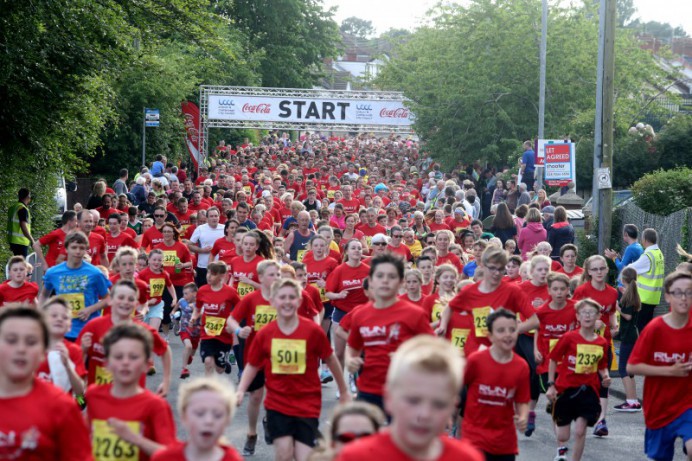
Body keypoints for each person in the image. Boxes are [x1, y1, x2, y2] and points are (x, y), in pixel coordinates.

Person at [237, 278, 350, 461]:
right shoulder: (266, 333)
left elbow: (330, 358)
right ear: (273, 302)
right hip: (277, 402)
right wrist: (241, 390)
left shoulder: (312, 331)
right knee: (284, 453)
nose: (287, 302)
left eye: (292, 297)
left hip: (307, 401)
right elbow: (253, 364)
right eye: (282, 297)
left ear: (299, 301)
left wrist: (343, 390)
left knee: (303, 456)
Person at [336, 336, 484, 460]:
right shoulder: (356, 457)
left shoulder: (467, 458)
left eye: (439, 404)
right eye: (413, 401)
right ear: (389, 398)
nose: (424, 414)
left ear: (452, 407)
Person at [0, 307, 93, 460]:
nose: (21, 349)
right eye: (11, 340)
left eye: (31, 342)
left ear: (43, 351)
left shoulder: (62, 407)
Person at [346, 254, 434, 410]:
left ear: (400, 282)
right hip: (368, 390)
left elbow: (433, 350)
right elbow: (353, 347)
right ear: (371, 281)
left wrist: (409, 357)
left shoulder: (414, 314)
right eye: (380, 276)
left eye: (391, 276)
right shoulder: (360, 314)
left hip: (404, 392)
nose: (385, 280)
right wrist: (349, 360)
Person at [627, 270, 692, 461]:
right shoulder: (655, 328)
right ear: (667, 296)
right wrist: (669, 371)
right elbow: (632, 367)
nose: (684, 298)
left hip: (687, 404)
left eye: (689, 292)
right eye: (677, 292)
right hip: (659, 407)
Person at [85, 323, 176, 460]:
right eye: (118, 357)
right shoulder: (93, 395)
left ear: (147, 364)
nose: (125, 362)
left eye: (133, 357)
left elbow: (172, 455)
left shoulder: (156, 406)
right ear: (107, 364)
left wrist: (135, 439)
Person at [437, 247, 537, 356]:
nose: (496, 273)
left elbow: (535, 321)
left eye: (500, 269)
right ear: (483, 266)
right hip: (475, 350)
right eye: (492, 268)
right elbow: (450, 307)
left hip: (502, 351)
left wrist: (510, 332)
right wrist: (443, 326)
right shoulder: (469, 291)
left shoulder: (512, 291)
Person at [77, 280, 172, 395]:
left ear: (136, 303)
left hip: (131, 398)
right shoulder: (94, 326)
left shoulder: (142, 330)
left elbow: (165, 350)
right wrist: (83, 351)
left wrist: (166, 382)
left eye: (131, 299)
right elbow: (77, 357)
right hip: (99, 397)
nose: (125, 302)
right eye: (121, 297)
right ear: (111, 300)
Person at [546, 299, 612, 461]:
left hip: (588, 390)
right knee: (564, 435)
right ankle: (555, 408)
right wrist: (550, 385)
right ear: (577, 316)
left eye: (591, 312)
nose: (587, 315)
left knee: (580, 431)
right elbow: (553, 359)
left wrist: (605, 375)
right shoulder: (569, 337)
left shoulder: (602, 342)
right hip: (566, 388)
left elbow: (602, 364)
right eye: (583, 312)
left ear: (597, 316)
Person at [462, 308, 530, 460]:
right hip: (475, 437)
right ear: (490, 335)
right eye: (501, 330)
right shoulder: (476, 360)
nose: (507, 334)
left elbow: (522, 400)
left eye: (512, 330)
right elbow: (457, 388)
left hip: (504, 441)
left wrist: (523, 416)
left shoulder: (521, 366)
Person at [572, 255, 618, 437]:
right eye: (595, 269)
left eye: (602, 268)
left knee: (603, 382)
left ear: (607, 270)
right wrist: (590, 324)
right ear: (589, 272)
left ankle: (601, 421)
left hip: (604, 342)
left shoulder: (612, 292)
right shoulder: (582, 291)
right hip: (584, 344)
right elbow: (573, 317)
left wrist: (615, 325)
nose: (599, 272)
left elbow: (612, 311)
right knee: (584, 382)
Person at [39, 231, 112, 341]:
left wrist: (90, 309)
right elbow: (44, 295)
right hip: (63, 329)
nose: (78, 251)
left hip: (88, 329)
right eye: (74, 247)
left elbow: (108, 299)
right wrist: (42, 314)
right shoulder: (53, 272)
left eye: (81, 248)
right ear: (66, 249)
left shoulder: (95, 273)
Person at [151, 377, 243, 461]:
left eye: (217, 415)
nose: (208, 421)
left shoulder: (233, 459)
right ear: (184, 417)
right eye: (199, 413)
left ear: (227, 420)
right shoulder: (164, 458)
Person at [192, 261, 240, 376]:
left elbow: (240, 307)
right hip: (207, 332)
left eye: (213, 274)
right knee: (208, 361)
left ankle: (224, 364)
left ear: (222, 276)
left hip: (224, 334)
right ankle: (208, 389)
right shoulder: (202, 290)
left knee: (219, 369)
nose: (208, 276)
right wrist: (193, 317)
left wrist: (232, 323)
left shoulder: (230, 292)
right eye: (208, 273)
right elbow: (197, 308)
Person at [37, 297, 87, 396]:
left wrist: (68, 366)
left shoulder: (73, 350)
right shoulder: (32, 349)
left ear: (70, 326)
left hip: (62, 408)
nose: (59, 319)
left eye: (65, 317)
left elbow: (80, 391)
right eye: (54, 316)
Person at [613, 267, 642, 412]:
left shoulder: (629, 297)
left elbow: (628, 316)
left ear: (624, 279)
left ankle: (631, 401)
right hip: (632, 335)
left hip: (629, 337)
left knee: (623, 368)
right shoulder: (632, 293)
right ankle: (634, 400)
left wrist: (617, 308)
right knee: (629, 370)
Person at [626, 228, 664, 332]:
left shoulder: (648, 255)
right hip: (654, 296)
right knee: (647, 325)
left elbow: (632, 268)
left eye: (642, 238)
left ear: (646, 240)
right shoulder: (658, 253)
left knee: (640, 326)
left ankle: (644, 346)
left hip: (644, 297)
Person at [189, 207, 225, 287]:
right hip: (203, 266)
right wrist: (202, 250)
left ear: (219, 217)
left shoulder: (224, 228)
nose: (214, 218)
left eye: (216, 216)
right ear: (207, 218)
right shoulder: (200, 229)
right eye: (211, 216)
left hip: (221, 266)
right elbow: (190, 245)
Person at [171, 282, 200, 379]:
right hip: (184, 329)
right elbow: (174, 310)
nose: (184, 296)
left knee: (192, 352)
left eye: (186, 293)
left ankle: (189, 357)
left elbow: (203, 314)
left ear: (195, 293)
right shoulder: (182, 301)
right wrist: (173, 314)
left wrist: (196, 310)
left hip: (196, 331)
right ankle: (184, 369)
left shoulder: (200, 303)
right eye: (184, 293)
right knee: (188, 346)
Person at [7, 187, 35, 257]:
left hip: (13, 241)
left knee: (17, 263)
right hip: (20, 242)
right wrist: (32, 240)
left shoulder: (13, 207)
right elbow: (23, 226)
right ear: (28, 196)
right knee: (22, 265)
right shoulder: (22, 209)